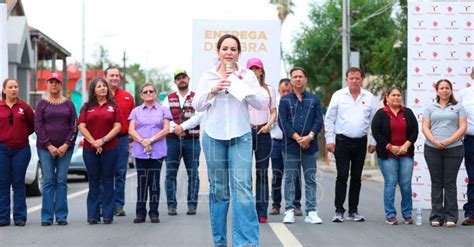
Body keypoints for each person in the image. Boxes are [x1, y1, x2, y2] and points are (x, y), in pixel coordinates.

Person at [193, 34, 265, 247]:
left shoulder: (247, 76)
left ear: (239, 53)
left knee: (242, 188)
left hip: (241, 137)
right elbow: (197, 105)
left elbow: (261, 102)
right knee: (219, 190)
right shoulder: (208, 76)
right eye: (225, 48)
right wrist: (212, 90)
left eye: (233, 49)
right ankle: (220, 241)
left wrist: (237, 84)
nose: (229, 52)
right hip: (213, 138)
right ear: (218, 51)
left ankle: (246, 243)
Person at [324, 67, 377, 223]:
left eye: (357, 78)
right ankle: (339, 210)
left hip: (361, 142)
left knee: (356, 177)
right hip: (342, 141)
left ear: (362, 79)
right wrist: (329, 140)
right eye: (351, 78)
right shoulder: (338, 96)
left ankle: (353, 210)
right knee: (342, 175)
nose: (354, 80)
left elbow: (375, 122)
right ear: (346, 79)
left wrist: (374, 141)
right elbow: (329, 119)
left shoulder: (369, 97)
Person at [279, 67, 324, 224]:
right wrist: (298, 138)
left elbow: (319, 121)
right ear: (291, 80)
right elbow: (282, 122)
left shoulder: (314, 99)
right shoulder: (284, 100)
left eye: (300, 76)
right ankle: (289, 210)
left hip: (309, 147)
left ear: (305, 79)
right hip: (291, 146)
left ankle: (311, 212)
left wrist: (309, 137)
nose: (297, 79)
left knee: (310, 178)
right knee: (290, 178)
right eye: (295, 76)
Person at [422, 79, 467, 227]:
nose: (444, 90)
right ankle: (436, 216)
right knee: (436, 183)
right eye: (441, 88)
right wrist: (434, 141)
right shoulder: (430, 107)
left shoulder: (458, 107)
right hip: (432, 149)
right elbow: (425, 127)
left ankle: (451, 217)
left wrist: (447, 141)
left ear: (451, 90)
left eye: (447, 88)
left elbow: (462, 128)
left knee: (449, 183)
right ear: (437, 91)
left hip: (454, 149)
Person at [371, 86, 418, 225]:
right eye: (393, 95)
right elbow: (376, 132)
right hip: (387, 155)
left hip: (406, 153)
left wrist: (405, 146)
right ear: (387, 97)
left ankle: (407, 214)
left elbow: (415, 131)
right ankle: (390, 215)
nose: (396, 97)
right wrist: (390, 147)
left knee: (405, 185)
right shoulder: (381, 113)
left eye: (398, 95)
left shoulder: (408, 112)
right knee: (391, 183)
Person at [35, 73, 77, 226]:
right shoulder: (41, 104)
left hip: (66, 149)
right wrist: (49, 145)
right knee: (48, 181)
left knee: (61, 180)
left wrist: (66, 144)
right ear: (47, 84)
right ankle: (46, 217)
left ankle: (61, 216)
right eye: (51, 82)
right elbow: (38, 127)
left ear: (61, 85)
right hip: (46, 149)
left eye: (57, 82)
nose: (54, 85)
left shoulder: (69, 105)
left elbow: (74, 127)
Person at [78, 77, 122, 224]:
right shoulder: (86, 107)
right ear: (93, 90)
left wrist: (102, 141)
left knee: (109, 180)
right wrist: (94, 142)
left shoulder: (114, 106)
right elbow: (81, 126)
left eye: (104, 86)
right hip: (90, 149)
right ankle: (93, 215)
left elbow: (118, 126)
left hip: (110, 148)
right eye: (99, 86)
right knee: (93, 180)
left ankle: (108, 215)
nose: (103, 88)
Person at [128, 83, 171, 224]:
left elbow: (166, 129)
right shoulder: (135, 111)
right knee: (142, 182)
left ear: (155, 93)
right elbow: (131, 130)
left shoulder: (163, 110)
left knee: (153, 182)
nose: (148, 93)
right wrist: (142, 141)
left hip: (157, 151)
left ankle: (154, 212)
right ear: (141, 95)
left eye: (151, 91)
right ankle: (140, 213)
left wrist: (150, 140)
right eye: (145, 91)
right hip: (140, 151)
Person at [162, 69, 202, 216]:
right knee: (170, 174)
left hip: (192, 141)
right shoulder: (168, 98)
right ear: (175, 81)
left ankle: (192, 205)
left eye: (183, 77)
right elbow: (164, 116)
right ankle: (171, 206)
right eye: (178, 78)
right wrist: (175, 128)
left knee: (193, 174)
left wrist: (182, 127)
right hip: (172, 141)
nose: (181, 80)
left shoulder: (196, 97)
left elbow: (199, 116)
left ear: (188, 79)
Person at [245, 57, 277, 223]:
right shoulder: (243, 88)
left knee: (262, 173)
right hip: (246, 132)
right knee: (245, 174)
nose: (254, 71)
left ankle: (262, 212)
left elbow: (273, 112)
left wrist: (269, 125)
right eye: (251, 68)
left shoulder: (269, 89)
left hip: (263, 132)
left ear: (262, 71)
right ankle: (249, 211)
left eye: (257, 68)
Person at [0, 78, 34, 227]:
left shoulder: (24, 107)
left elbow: (32, 126)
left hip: (21, 149)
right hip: (2, 150)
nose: (14, 89)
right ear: (4, 90)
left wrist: (19, 135)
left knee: (19, 183)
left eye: (16, 86)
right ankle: (3, 218)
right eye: (10, 87)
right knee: (2, 184)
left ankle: (20, 217)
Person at [269, 78, 303, 217]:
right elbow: (269, 121)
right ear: (278, 90)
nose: (286, 93)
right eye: (283, 91)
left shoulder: (297, 102)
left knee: (295, 175)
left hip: (292, 142)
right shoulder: (273, 104)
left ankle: (296, 205)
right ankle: (276, 205)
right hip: (276, 142)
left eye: (289, 91)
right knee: (277, 174)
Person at [104, 66, 135, 217]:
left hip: (122, 140)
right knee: (105, 173)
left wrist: (133, 139)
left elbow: (134, 120)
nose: (114, 78)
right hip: (105, 140)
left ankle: (118, 205)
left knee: (120, 172)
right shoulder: (100, 94)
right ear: (106, 77)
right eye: (111, 75)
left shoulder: (128, 97)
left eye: (117, 75)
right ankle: (105, 205)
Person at [460, 69, 474, 226]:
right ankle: (472, 213)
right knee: (473, 177)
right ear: (472, 76)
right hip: (471, 141)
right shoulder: (464, 94)